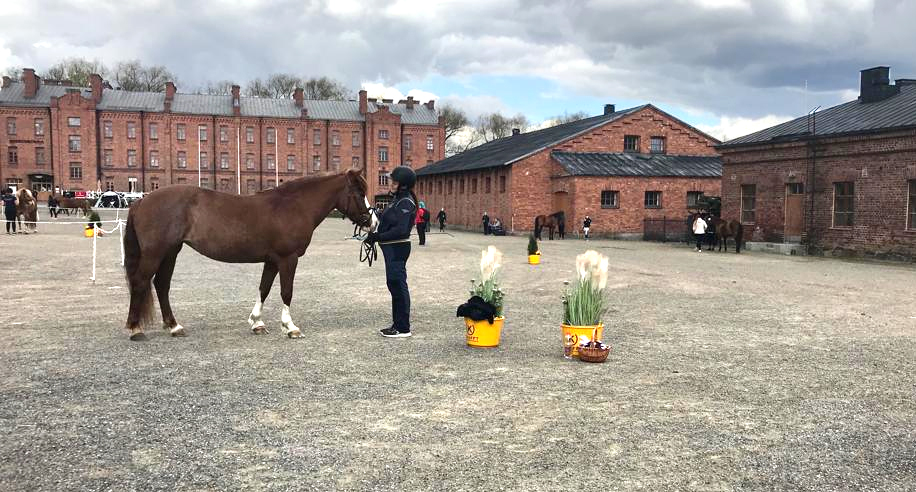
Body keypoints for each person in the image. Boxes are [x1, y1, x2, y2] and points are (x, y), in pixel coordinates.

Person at [364, 166, 417, 338]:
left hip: (397, 247)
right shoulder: (397, 200)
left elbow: (401, 230)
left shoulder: (406, 202)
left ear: (403, 185)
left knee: (398, 285)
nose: (391, 183)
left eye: (395, 181)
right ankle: (397, 324)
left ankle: (403, 328)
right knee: (393, 285)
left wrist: (378, 236)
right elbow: (388, 221)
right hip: (391, 248)